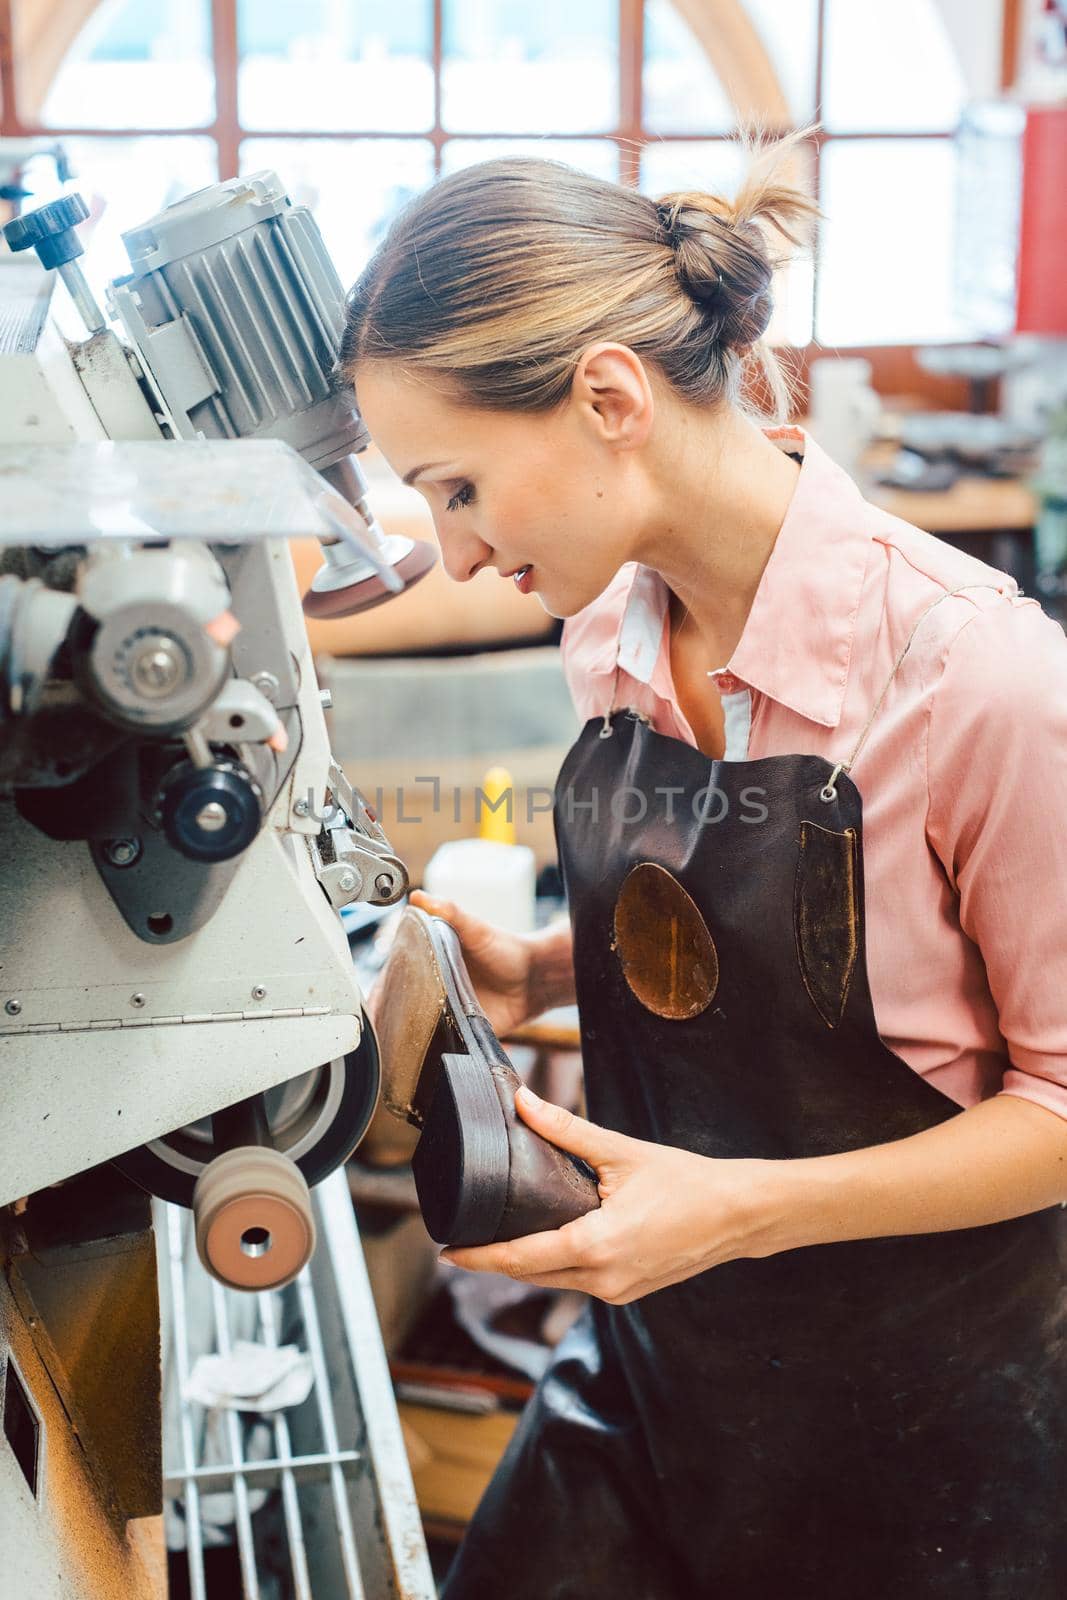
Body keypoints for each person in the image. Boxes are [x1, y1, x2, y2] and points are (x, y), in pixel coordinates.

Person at [338, 131, 1067, 1598]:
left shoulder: (976, 679)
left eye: (460, 486)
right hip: (660, 1362)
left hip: (920, 1435)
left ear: (610, 397)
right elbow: (788, 954)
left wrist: (734, 1211)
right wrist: (548, 964)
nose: (459, 554)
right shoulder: (609, 627)